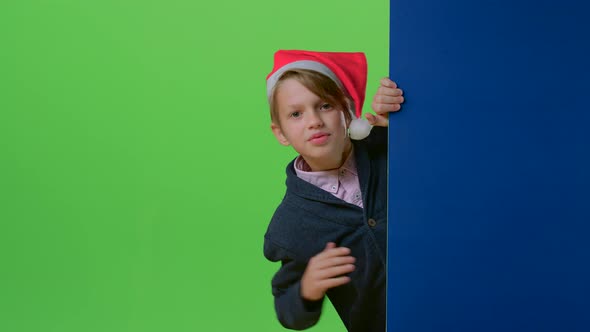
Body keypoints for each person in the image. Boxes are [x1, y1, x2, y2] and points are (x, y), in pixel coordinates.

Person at [263, 50, 404, 331]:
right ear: (280, 133)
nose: (314, 120)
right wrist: (307, 288)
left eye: (325, 105)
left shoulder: (388, 146)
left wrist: (404, 124)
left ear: (347, 110)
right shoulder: (291, 224)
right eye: (296, 114)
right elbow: (288, 311)